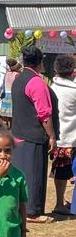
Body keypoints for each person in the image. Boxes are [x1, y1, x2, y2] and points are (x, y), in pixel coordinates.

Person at [11, 46, 57, 223]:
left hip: (18, 132)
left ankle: (22, 207)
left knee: (22, 173)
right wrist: (52, 136)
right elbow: (44, 114)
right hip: (33, 135)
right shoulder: (36, 82)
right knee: (35, 173)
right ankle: (33, 211)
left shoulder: (18, 79)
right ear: (40, 62)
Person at [50, 55, 76, 214]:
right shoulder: (74, 90)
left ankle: (59, 202)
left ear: (55, 70)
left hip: (58, 138)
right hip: (73, 138)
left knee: (60, 173)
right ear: (72, 71)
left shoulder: (50, 88)